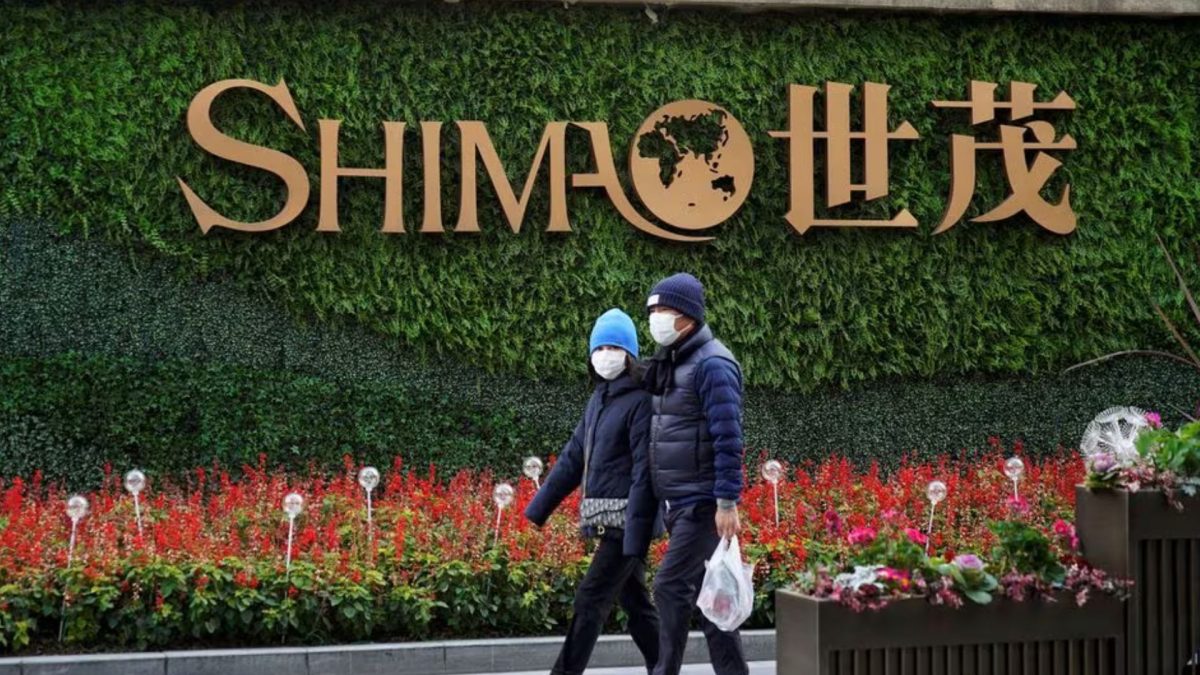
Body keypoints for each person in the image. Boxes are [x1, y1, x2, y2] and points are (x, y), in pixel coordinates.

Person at [524, 308, 661, 675]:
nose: (606, 355)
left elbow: (645, 473)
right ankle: (665, 667)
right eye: (600, 347)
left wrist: (636, 531)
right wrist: (538, 508)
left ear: (629, 353)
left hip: (629, 521)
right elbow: (572, 457)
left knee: (590, 600)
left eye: (615, 346)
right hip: (613, 520)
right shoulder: (599, 400)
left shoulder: (641, 401)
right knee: (635, 604)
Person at [635, 272, 749, 675]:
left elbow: (728, 437)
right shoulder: (674, 361)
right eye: (652, 310)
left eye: (664, 309)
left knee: (669, 587)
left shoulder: (713, 364)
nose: (657, 318)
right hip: (678, 501)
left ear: (687, 314)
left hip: (702, 503)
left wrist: (726, 501)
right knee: (713, 601)